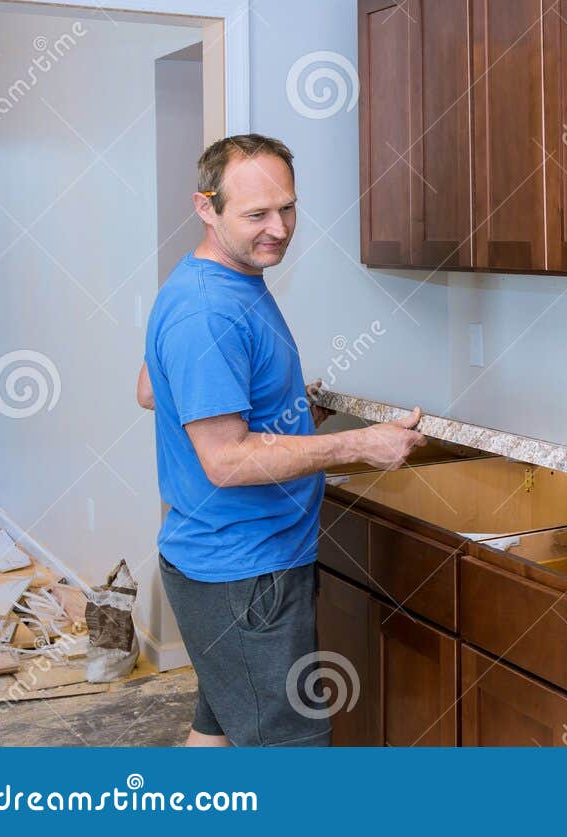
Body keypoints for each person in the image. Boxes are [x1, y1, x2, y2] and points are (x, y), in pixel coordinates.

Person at [136, 133, 425, 747]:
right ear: (205, 207)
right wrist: (359, 445)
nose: (279, 229)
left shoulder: (211, 282)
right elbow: (226, 459)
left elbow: (151, 388)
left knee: (214, 735)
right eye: (256, 215)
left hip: (224, 566)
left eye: (287, 208)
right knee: (289, 750)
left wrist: (284, 412)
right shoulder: (208, 312)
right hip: (245, 576)